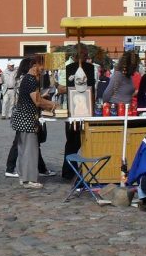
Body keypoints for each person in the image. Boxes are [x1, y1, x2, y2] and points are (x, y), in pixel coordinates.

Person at [11, 57, 57, 189]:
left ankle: (23, 176)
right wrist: (53, 105)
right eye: (42, 67)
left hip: (23, 118)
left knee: (23, 149)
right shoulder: (30, 79)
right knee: (30, 150)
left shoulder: (28, 78)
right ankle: (29, 179)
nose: (43, 70)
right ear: (35, 65)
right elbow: (37, 101)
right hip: (27, 118)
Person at [58, 43, 96, 178]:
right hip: (72, 108)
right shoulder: (66, 68)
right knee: (72, 142)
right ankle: (69, 171)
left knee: (82, 141)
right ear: (76, 55)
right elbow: (61, 88)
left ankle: (76, 169)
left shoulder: (89, 68)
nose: (86, 57)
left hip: (86, 108)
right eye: (84, 55)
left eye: (86, 55)